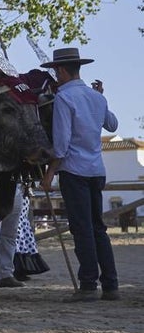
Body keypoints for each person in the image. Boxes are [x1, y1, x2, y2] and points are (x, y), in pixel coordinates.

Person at [40, 47, 119, 303]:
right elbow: (112, 124)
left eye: (55, 71)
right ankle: (111, 285)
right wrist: (101, 98)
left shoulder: (64, 98)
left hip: (74, 171)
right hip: (97, 170)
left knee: (82, 228)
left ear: (62, 70)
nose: (55, 76)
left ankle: (87, 285)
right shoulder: (96, 97)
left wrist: (49, 173)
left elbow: (61, 145)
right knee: (98, 228)